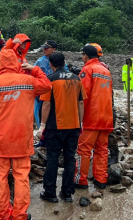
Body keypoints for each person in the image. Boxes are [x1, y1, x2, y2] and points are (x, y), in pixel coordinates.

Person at [0, 49, 52, 220]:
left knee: (0, 179)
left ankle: (3, 216)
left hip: (1, 140)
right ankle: (20, 217)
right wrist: (34, 69)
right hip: (21, 139)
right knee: (21, 177)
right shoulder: (28, 81)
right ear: (17, 63)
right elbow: (47, 86)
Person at [37, 51, 85, 203]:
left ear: (51, 65)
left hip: (55, 126)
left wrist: (42, 125)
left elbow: (46, 103)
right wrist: (80, 123)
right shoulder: (77, 79)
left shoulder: (50, 80)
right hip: (73, 126)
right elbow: (81, 103)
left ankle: (50, 193)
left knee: (53, 158)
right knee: (70, 159)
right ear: (64, 62)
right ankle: (67, 193)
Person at [73, 44, 114, 189]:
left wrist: (78, 116)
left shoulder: (87, 69)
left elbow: (83, 95)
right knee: (102, 149)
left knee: (84, 150)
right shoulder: (105, 71)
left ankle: (81, 180)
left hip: (91, 117)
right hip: (106, 118)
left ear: (85, 55)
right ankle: (101, 179)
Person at [33, 40, 68, 147]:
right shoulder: (40, 61)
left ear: (54, 49)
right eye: (43, 48)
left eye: (47, 48)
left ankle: (57, 138)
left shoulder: (61, 63)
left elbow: (65, 76)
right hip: (42, 92)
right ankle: (43, 139)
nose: (44, 50)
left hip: (56, 92)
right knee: (39, 114)